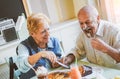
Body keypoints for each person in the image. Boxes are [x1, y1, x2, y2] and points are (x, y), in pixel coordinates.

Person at [62, 5, 120, 69]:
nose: (84, 27)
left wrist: (106, 49)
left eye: (88, 22)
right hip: (94, 73)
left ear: (98, 19)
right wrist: (68, 58)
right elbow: (78, 51)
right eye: (81, 23)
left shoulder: (115, 31)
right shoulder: (82, 35)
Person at [15, 13, 64, 78]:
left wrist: (59, 62)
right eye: (43, 31)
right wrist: (40, 54)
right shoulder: (23, 46)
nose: (48, 34)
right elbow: (22, 66)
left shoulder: (54, 41)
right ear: (32, 33)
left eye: (48, 29)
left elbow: (62, 60)